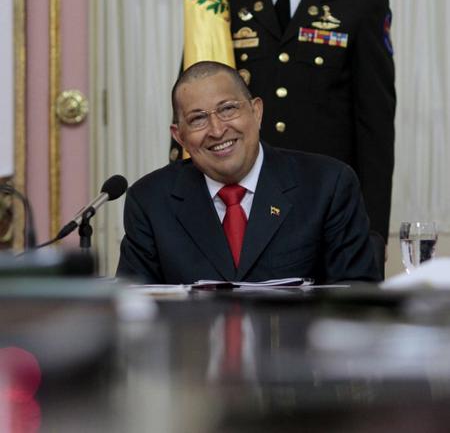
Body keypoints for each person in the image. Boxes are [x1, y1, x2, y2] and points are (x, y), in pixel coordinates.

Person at [227, 0, 396, 245]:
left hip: (327, 209)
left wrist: (371, 235)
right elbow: (192, 105)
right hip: (239, 206)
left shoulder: (360, 0)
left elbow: (375, 129)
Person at [117, 61, 380, 284]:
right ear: (179, 136)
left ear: (256, 112)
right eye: (198, 119)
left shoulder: (327, 186)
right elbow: (132, 309)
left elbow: (357, 299)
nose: (217, 130)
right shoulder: (150, 202)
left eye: (227, 109)